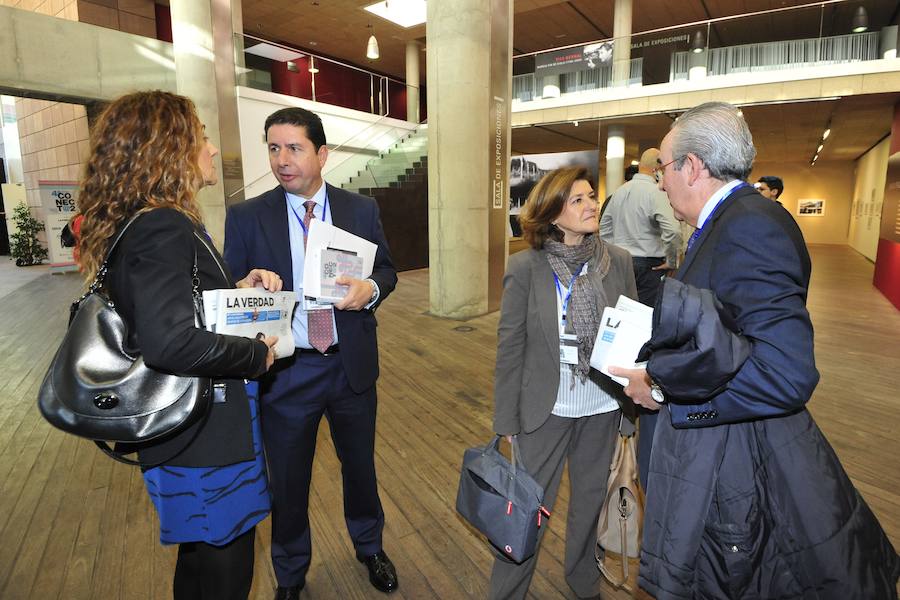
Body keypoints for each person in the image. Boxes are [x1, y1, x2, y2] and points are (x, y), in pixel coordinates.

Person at [610, 102, 899, 598]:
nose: (661, 183)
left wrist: (661, 387)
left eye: (664, 169)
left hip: (739, 466)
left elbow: (785, 372)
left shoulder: (748, 226)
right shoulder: (734, 220)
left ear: (693, 167)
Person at [76, 90, 282, 600]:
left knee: (200, 558)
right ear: (170, 148)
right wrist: (257, 355)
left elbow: (168, 313)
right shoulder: (164, 225)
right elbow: (171, 343)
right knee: (226, 569)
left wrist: (232, 293)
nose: (212, 150)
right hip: (204, 435)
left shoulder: (145, 223)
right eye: (204, 138)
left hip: (185, 432)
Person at [224, 107, 398, 599]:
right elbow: (228, 293)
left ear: (322, 154)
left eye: (294, 148)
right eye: (274, 148)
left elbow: (386, 270)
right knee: (289, 481)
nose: (282, 160)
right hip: (286, 370)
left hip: (350, 365)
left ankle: (370, 546)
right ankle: (291, 573)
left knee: (360, 467)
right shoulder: (246, 216)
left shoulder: (360, 211)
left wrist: (372, 289)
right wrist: (243, 285)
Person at [491, 167, 637, 600]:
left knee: (590, 504)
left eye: (591, 196)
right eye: (578, 200)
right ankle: (506, 592)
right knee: (527, 512)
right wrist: (505, 419)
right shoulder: (526, 267)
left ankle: (583, 583)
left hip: (603, 407)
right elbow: (510, 347)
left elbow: (631, 338)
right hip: (544, 409)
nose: (592, 205)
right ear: (554, 214)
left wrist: (628, 414)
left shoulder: (618, 262)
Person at [600, 147, 682, 489]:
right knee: (644, 331)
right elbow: (673, 231)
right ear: (658, 168)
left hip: (618, 263)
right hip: (649, 267)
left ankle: (615, 388)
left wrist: (611, 255)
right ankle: (637, 396)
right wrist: (672, 258)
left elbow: (602, 228)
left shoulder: (618, 193)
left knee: (618, 326)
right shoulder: (654, 192)